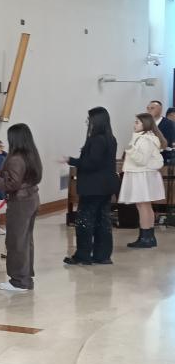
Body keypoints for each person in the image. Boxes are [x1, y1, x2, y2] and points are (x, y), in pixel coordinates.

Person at [0, 125, 42, 292]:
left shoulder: (16, 158)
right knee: (25, 240)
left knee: (16, 241)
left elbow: (12, 183)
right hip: (31, 198)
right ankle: (25, 278)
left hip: (20, 203)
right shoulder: (30, 154)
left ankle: (19, 281)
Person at [63, 107, 119, 266]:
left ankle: (83, 255)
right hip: (105, 186)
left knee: (85, 221)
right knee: (103, 221)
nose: (87, 122)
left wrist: (71, 160)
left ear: (96, 121)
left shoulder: (96, 140)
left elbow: (92, 163)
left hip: (93, 186)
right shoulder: (111, 138)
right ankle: (102, 255)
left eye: (89, 119)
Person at [119, 112, 165, 249]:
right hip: (143, 175)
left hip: (141, 175)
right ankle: (149, 237)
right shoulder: (145, 137)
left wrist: (129, 150)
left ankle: (145, 237)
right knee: (145, 206)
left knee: (143, 206)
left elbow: (141, 160)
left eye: (137, 122)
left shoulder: (145, 139)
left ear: (145, 124)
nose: (134, 124)